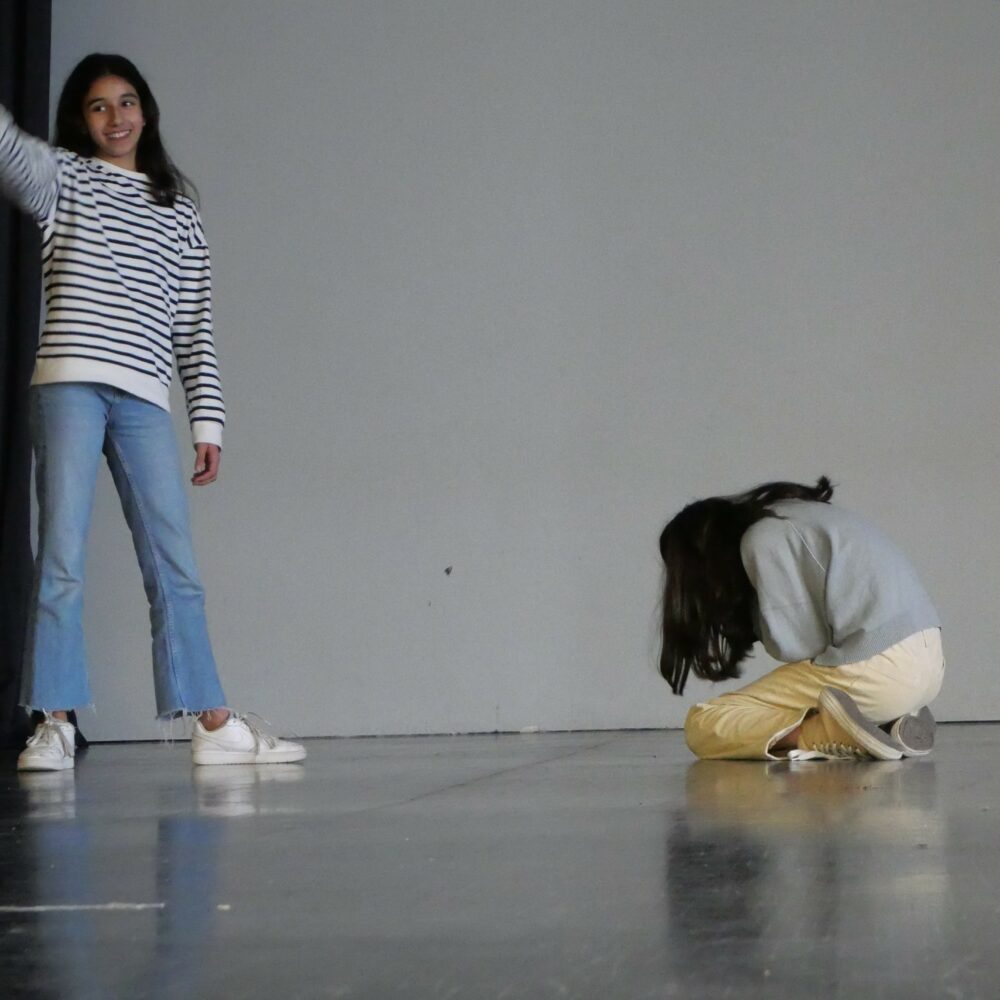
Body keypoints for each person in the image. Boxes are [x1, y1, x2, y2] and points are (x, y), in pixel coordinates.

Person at [0, 53, 305, 771]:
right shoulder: (62, 179)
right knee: (63, 558)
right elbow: (8, 149)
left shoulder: (178, 211)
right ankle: (54, 722)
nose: (116, 117)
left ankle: (213, 721)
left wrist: (208, 422)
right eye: (99, 106)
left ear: (146, 111)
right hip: (69, 386)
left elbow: (194, 328)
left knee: (174, 564)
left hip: (142, 396)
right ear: (81, 119)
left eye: (127, 101)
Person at [658, 477, 943, 760]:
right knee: (831, 687)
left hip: (878, 672)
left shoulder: (764, 538)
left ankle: (825, 732)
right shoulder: (798, 514)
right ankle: (890, 722)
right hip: (930, 665)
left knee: (706, 721)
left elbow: (798, 646)